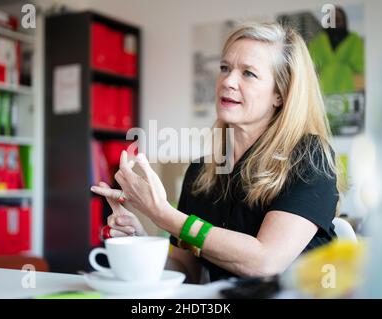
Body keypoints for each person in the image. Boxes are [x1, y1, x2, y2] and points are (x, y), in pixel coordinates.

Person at [91, 21, 343, 283]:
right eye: (225, 68)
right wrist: (140, 243)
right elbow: (186, 270)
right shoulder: (201, 172)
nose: (228, 81)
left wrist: (163, 214)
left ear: (279, 94)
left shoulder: (309, 157)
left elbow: (266, 262)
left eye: (248, 73)